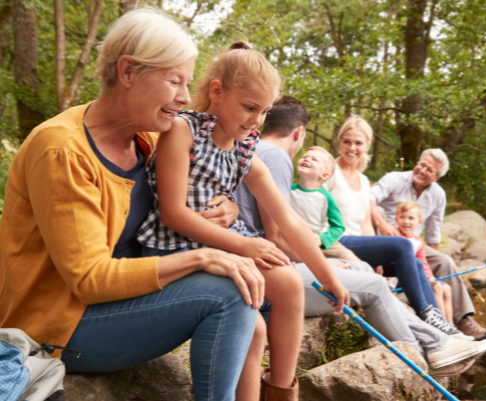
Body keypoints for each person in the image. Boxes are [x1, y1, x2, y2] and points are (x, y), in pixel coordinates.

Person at [0, 10, 264, 401]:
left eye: (187, 83)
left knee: (250, 310)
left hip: (118, 303)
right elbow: (88, 279)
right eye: (174, 81)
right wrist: (201, 257)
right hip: (56, 323)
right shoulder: (61, 149)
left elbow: (197, 187)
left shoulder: (148, 138)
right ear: (127, 72)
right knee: (226, 296)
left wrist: (228, 207)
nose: (185, 97)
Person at [137, 41, 349, 400]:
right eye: (249, 108)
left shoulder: (243, 149)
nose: (256, 121)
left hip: (221, 243)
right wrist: (245, 244)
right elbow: (173, 213)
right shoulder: (183, 132)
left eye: (264, 112)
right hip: (177, 246)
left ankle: (281, 389)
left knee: (287, 285)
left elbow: (289, 220)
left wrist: (329, 278)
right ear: (217, 92)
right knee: (254, 327)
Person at [234, 96, 486, 377]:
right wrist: (326, 267)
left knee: (365, 268)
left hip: (280, 263)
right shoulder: (277, 158)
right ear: (299, 133)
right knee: (376, 284)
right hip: (275, 276)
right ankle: (427, 350)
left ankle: (439, 334)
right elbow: (278, 237)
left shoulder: (252, 150)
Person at [325, 117, 460, 336]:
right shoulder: (329, 171)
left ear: (367, 146)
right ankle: (425, 312)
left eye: (358, 143)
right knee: (403, 246)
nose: (352, 148)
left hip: (357, 243)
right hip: (336, 241)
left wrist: (374, 256)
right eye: (347, 141)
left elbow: (365, 221)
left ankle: (437, 322)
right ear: (339, 141)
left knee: (415, 265)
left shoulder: (361, 179)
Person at [370, 149, 486, 341]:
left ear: (437, 177)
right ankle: (440, 323)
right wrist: (382, 224)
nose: (422, 170)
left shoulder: (438, 195)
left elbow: (433, 233)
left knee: (444, 261)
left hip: (413, 243)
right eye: (421, 164)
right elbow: (367, 199)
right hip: (386, 238)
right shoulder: (394, 179)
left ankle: (465, 322)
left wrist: (429, 273)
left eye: (429, 170)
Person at [289, 146, 360, 261]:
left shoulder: (327, 197)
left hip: (322, 242)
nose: (306, 159)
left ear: (324, 175)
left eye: (314, 159)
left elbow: (338, 227)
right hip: (294, 242)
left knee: (356, 262)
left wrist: (321, 239)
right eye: (305, 157)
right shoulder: (288, 191)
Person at [396, 201, 453, 321]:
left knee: (446, 288)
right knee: (437, 287)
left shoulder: (418, 241)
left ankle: (450, 324)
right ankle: (441, 322)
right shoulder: (394, 236)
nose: (406, 221)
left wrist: (430, 277)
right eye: (402, 217)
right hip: (403, 278)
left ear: (419, 222)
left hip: (419, 275)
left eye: (411, 218)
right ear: (396, 219)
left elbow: (423, 263)